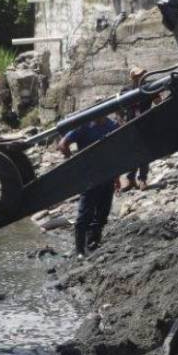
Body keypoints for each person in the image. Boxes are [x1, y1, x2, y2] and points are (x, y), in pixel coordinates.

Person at [57, 104, 120, 256]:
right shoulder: (84, 126)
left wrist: (117, 176)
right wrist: (71, 159)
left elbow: (117, 152)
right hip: (89, 177)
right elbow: (63, 143)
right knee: (85, 214)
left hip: (107, 176)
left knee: (103, 213)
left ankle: (93, 243)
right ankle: (79, 250)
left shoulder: (112, 126)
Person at [119, 66, 151, 191]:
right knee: (132, 153)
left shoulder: (148, 88)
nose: (141, 77)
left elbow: (159, 102)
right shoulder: (126, 90)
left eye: (142, 75)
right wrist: (121, 122)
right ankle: (130, 178)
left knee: (145, 152)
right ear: (133, 77)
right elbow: (117, 108)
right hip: (131, 125)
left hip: (145, 125)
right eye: (138, 75)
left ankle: (142, 179)